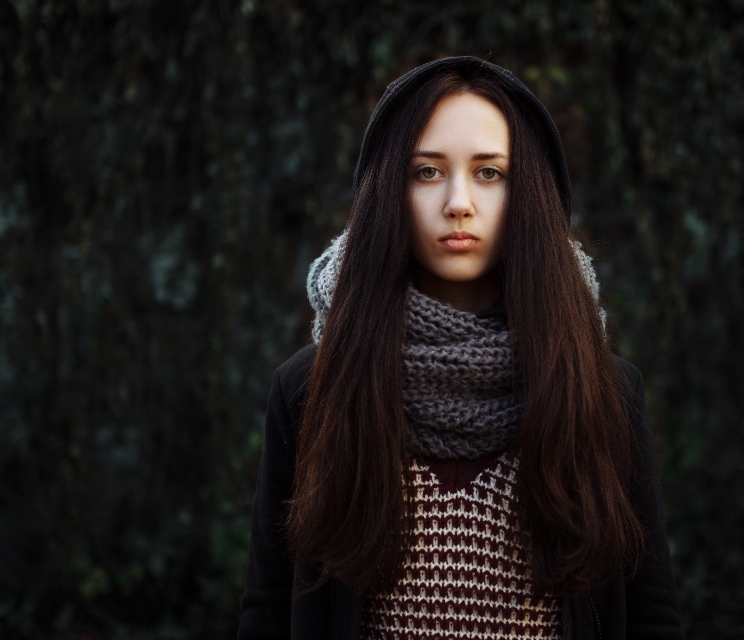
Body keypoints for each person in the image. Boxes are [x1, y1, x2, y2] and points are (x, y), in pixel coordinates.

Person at [238, 56, 684, 640]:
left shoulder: (600, 391)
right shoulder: (313, 389)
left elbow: (649, 615)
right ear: (386, 194)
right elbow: (270, 612)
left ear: (529, 196)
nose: (458, 202)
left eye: (490, 173)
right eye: (426, 171)